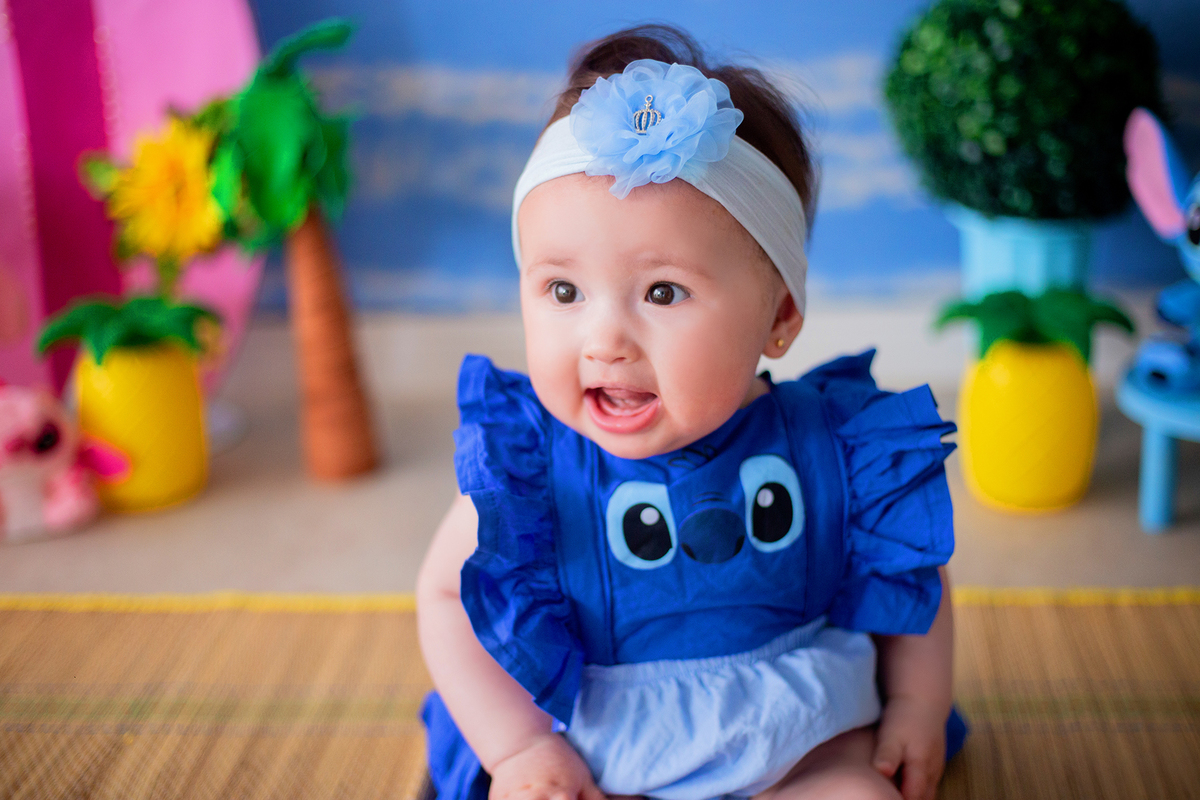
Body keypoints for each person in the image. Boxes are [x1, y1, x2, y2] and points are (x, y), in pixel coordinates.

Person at [417, 25, 963, 800]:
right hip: (595, 748)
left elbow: (912, 577)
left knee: (863, 795)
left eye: (662, 292)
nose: (604, 339)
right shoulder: (534, 469)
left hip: (795, 738)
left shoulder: (830, 444)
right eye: (563, 291)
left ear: (779, 316)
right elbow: (443, 597)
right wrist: (519, 750)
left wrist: (917, 703)